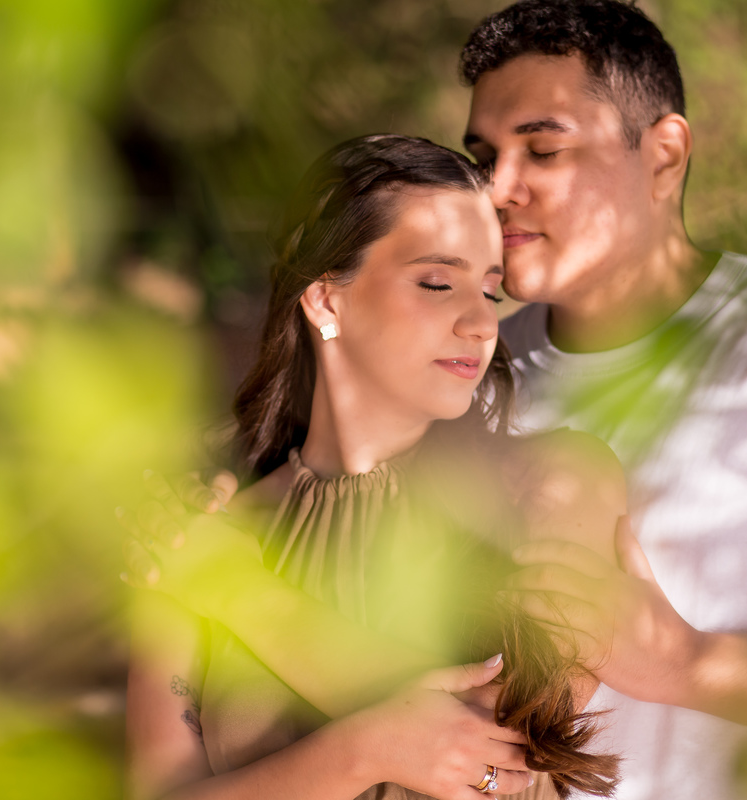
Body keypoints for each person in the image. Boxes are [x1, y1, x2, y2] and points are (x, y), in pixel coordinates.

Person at [455, 1, 747, 798]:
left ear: (663, 156)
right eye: (482, 156)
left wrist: (681, 660)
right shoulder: (467, 383)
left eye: (543, 149)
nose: (496, 189)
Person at [123, 134, 626, 800]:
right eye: (438, 283)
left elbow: (505, 747)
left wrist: (238, 591)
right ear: (327, 301)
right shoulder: (200, 528)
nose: (481, 323)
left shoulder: (556, 480)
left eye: (489, 289)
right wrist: (363, 751)